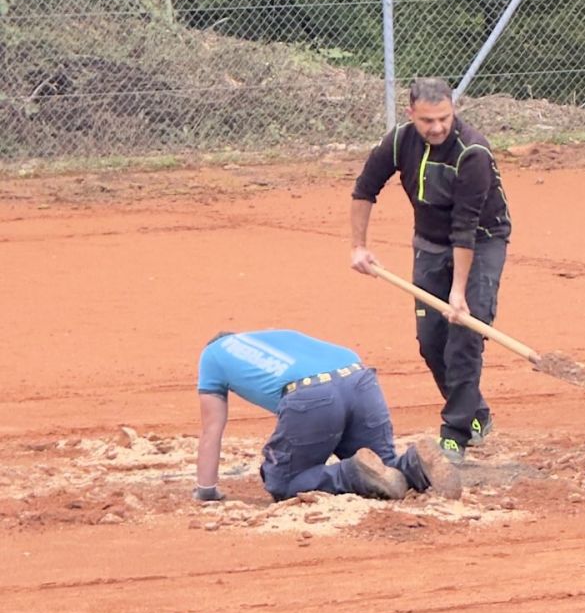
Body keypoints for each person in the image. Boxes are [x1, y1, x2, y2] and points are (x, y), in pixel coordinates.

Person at [350, 76, 511, 462]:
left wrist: (458, 292)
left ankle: (455, 434)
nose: (437, 128)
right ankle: (476, 412)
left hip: (481, 242)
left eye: (444, 118)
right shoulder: (399, 141)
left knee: (465, 336)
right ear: (411, 114)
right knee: (431, 340)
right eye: (427, 121)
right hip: (429, 242)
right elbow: (364, 189)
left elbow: (465, 227)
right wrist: (359, 246)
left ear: (454, 110)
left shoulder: (473, 152)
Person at [194, 327, 455, 505]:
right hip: (359, 379)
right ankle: (414, 464)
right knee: (383, 465)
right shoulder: (273, 336)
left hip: (312, 394)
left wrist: (206, 491)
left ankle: (351, 473)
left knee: (284, 482)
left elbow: (211, 431)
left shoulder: (211, 355)